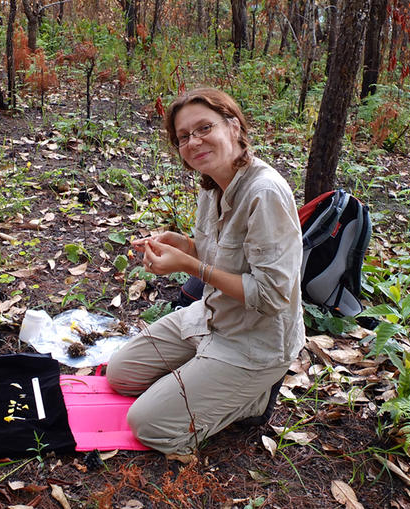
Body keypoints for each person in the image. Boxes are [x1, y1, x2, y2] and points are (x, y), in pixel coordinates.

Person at [106, 88, 305, 457]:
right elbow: (221, 255)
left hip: (254, 342)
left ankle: (253, 401)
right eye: (184, 137)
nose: (194, 142)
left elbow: (272, 295)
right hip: (212, 317)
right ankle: (203, 378)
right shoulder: (212, 186)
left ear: (233, 126)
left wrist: (190, 266)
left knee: (148, 425)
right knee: (120, 374)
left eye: (203, 128)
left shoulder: (265, 194)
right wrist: (185, 245)